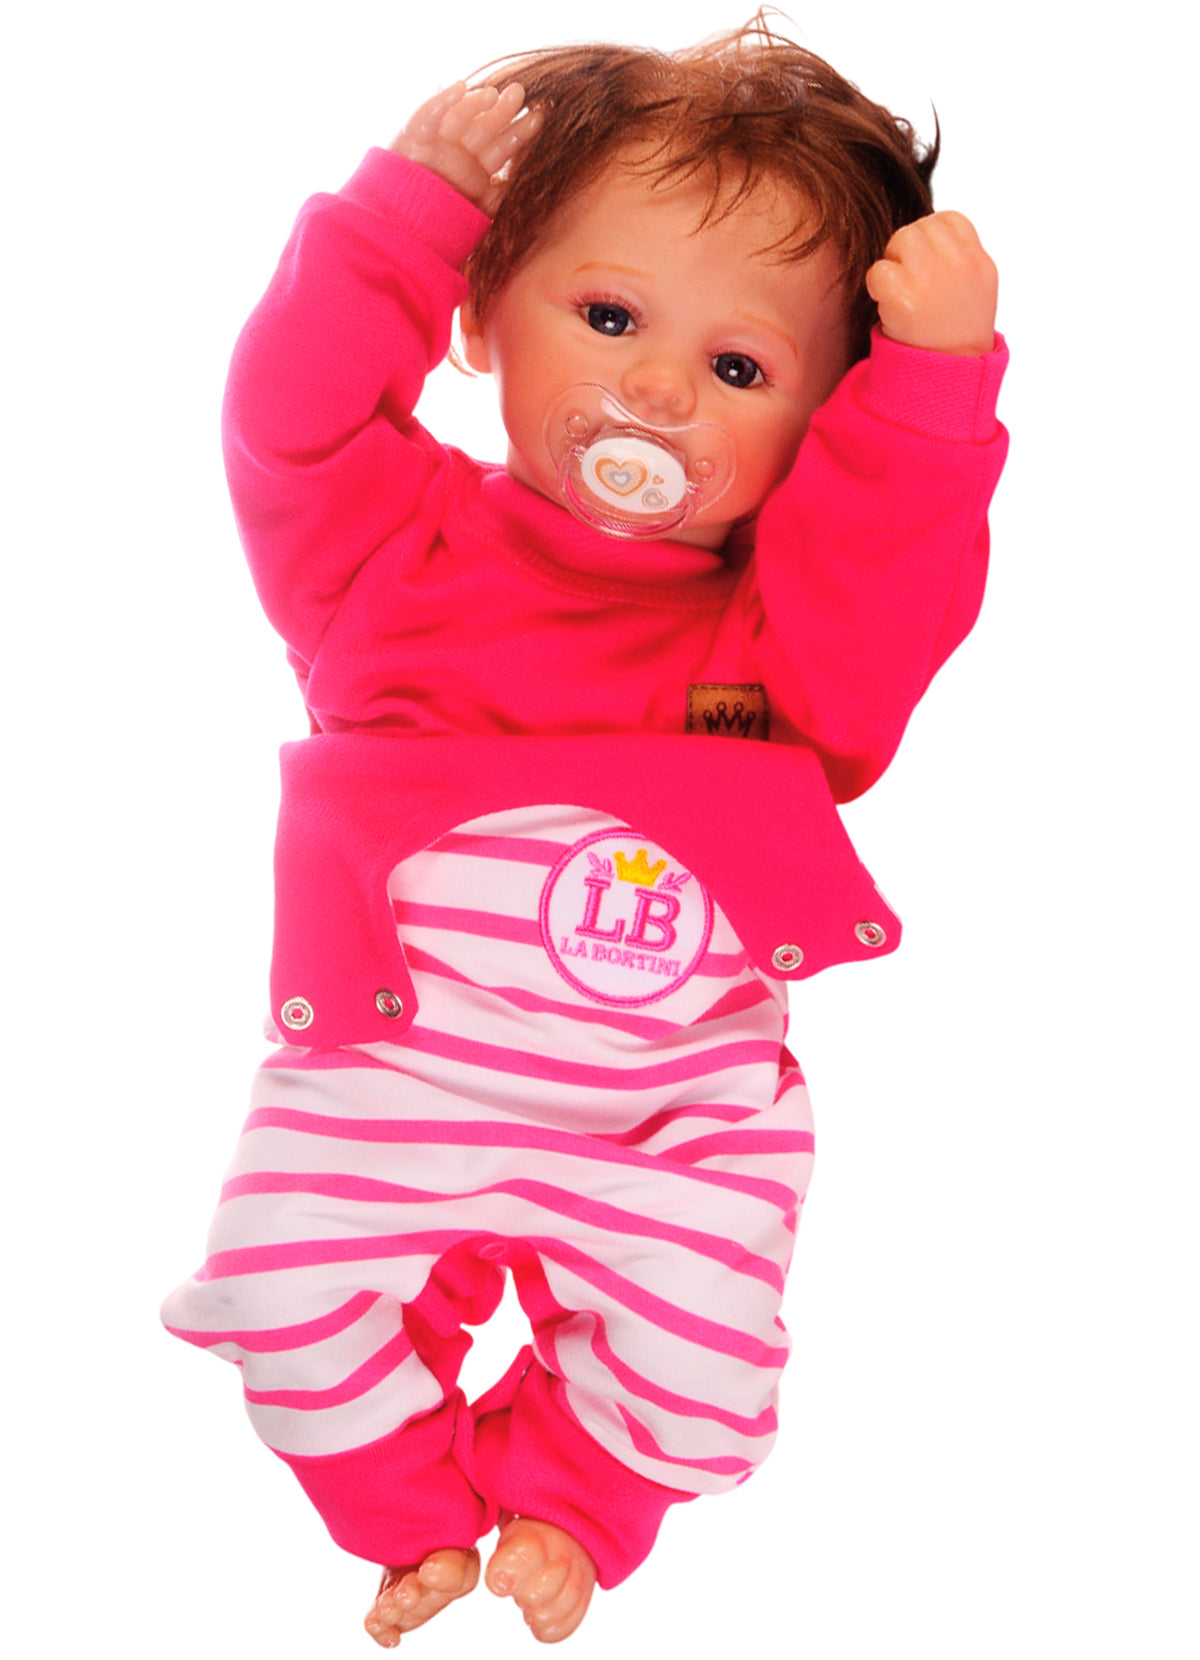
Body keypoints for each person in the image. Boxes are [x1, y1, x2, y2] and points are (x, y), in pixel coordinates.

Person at [162, 20, 1006, 1648]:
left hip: (667, 1117)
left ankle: (570, 1500)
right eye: (608, 316)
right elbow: (292, 425)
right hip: (392, 1075)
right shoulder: (387, 562)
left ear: (821, 425)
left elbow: (892, 580)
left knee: (708, 1367)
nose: (655, 388)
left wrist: (935, 393)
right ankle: (409, 1518)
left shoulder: (779, 650)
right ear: (483, 312)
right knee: (275, 1282)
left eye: (740, 369)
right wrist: (398, 225)